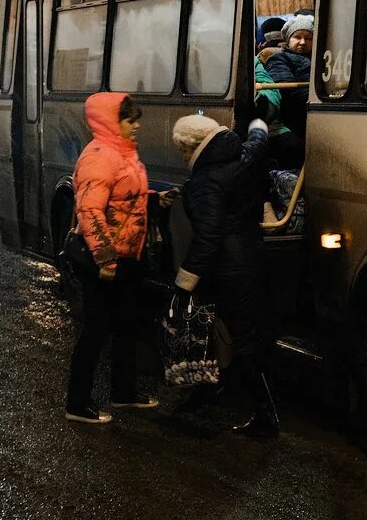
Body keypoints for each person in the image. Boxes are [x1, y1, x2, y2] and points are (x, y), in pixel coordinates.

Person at [171, 113, 278, 439]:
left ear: (190, 148)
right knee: (233, 331)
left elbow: (208, 236)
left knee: (239, 337)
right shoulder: (241, 155)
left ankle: (264, 415)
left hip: (229, 267)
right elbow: (258, 142)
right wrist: (258, 121)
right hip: (252, 256)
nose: (183, 157)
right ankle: (208, 391)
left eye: (182, 151)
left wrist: (184, 283)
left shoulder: (205, 182)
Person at [66, 92, 166, 424]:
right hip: (106, 262)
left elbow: (125, 198)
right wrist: (106, 260)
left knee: (126, 326)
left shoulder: (124, 154)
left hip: (128, 257)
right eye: (129, 120)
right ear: (111, 122)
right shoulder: (99, 157)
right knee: (95, 330)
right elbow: (89, 211)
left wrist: (155, 199)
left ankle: (123, 393)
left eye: (137, 120)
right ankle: (77, 403)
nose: (136, 126)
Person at [261, 12, 312, 169]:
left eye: (308, 38)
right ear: (288, 39)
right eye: (297, 37)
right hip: (294, 118)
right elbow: (287, 92)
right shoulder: (279, 59)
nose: (302, 42)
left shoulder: (320, 59)